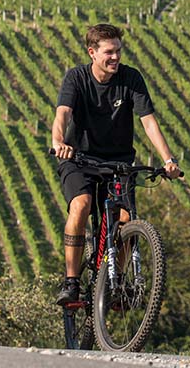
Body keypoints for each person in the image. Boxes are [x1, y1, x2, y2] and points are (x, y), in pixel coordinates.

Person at [51, 23, 181, 306]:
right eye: (109, 52)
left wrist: (168, 160)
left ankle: (116, 284)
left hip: (118, 163)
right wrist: (59, 141)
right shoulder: (76, 78)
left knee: (125, 220)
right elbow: (63, 113)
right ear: (92, 52)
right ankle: (71, 282)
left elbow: (149, 123)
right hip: (78, 159)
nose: (115, 57)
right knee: (82, 204)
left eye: (118, 51)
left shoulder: (131, 79)